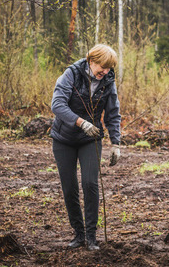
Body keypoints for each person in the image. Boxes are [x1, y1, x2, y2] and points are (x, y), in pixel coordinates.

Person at [51, 44, 121, 251]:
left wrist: (115, 143)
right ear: (91, 60)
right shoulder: (71, 74)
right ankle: (78, 234)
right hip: (64, 139)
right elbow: (57, 105)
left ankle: (91, 236)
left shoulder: (108, 81)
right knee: (70, 188)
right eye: (103, 66)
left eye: (109, 68)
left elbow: (113, 113)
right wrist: (81, 122)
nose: (105, 72)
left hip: (91, 139)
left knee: (90, 184)